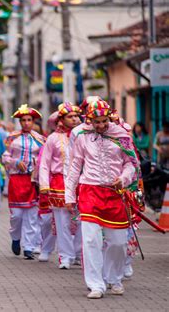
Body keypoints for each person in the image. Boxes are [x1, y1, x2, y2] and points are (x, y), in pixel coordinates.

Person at [65, 99, 138, 299]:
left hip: (115, 194)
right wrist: (69, 194)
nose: (101, 125)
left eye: (104, 121)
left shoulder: (122, 136)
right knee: (90, 240)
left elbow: (131, 164)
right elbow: (74, 166)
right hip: (90, 191)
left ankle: (114, 278)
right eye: (96, 122)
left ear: (110, 118)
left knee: (118, 242)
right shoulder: (82, 136)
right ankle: (96, 284)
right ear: (89, 120)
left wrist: (123, 179)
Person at [39, 103, 82, 268]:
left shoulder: (83, 136)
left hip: (80, 183)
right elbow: (45, 164)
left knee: (80, 220)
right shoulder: (53, 138)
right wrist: (44, 185)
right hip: (59, 183)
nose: (75, 119)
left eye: (77, 116)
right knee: (62, 222)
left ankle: (78, 253)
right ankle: (65, 256)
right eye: (70, 117)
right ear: (61, 120)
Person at [2, 104, 46, 260]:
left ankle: (29, 246)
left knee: (32, 215)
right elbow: (4, 157)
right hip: (16, 179)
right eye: (23, 120)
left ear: (33, 122)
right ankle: (15, 237)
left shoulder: (40, 139)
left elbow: (44, 159)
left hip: (32, 180)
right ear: (20, 122)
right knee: (17, 216)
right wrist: (15, 162)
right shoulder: (12, 138)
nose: (27, 123)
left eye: (29, 120)